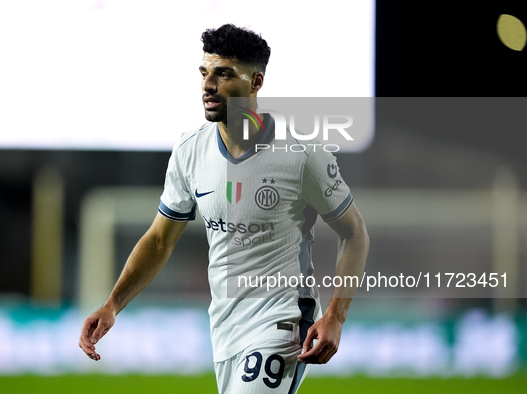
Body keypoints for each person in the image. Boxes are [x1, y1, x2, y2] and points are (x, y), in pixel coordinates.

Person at [79, 24, 369, 393]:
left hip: (282, 320)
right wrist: (112, 305)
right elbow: (158, 241)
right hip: (225, 327)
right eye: (204, 73)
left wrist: (335, 316)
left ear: (256, 82)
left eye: (224, 73)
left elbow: (355, 233)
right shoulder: (189, 151)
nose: (208, 85)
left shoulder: (301, 155)